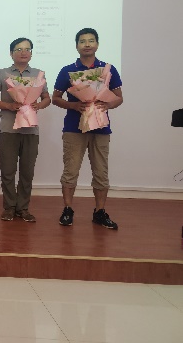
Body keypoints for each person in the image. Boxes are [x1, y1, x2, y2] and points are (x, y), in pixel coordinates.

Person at [52, 27, 123, 229]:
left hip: (101, 128)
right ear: (77, 46)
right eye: (82, 41)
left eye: (91, 40)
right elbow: (56, 98)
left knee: (101, 171)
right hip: (74, 127)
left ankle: (100, 211)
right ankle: (68, 209)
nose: (87, 44)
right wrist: (74, 105)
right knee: (71, 170)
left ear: (97, 44)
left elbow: (119, 98)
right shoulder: (67, 70)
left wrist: (107, 105)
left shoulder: (108, 69)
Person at [0, 38, 51, 222]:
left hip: (31, 130)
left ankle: (23, 208)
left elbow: (47, 98)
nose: (23, 52)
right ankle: (9, 207)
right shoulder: (3, 73)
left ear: (31, 53)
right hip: (9, 129)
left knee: (27, 172)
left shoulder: (38, 74)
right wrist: (9, 106)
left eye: (27, 49)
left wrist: (39, 105)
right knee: (7, 171)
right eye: (19, 49)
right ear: (11, 53)